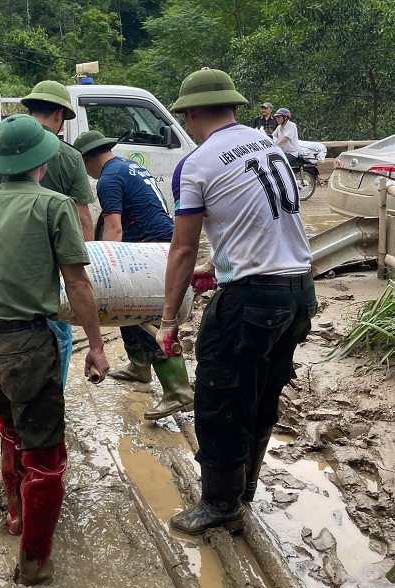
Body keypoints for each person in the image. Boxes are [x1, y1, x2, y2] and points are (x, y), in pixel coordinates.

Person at [156, 68, 317, 535]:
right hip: (299, 291)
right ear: (232, 106)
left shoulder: (196, 164)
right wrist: (218, 265)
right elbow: (258, 219)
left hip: (252, 301)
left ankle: (221, 503)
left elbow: (182, 249)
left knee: (218, 398)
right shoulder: (264, 142)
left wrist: (168, 320)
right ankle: (244, 488)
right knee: (262, 391)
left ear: (190, 113)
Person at [0, 114, 109, 586]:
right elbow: (77, 282)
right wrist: (97, 346)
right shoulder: (53, 205)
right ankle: (35, 564)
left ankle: (17, 516)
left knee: (9, 426)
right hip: (25, 344)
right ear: (42, 163)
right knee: (45, 454)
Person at [0, 80, 95, 387]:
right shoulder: (69, 157)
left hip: (0, 272)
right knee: (57, 334)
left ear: (29, 110)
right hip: (50, 267)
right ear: (60, 114)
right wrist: (85, 266)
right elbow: (83, 218)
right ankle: (53, 394)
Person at [73, 130, 193, 421]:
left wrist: (100, 268)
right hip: (160, 244)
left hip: (150, 249)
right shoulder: (129, 166)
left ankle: (179, 392)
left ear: (86, 159)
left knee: (147, 315)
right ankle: (139, 367)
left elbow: (114, 229)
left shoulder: (108, 179)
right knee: (124, 308)